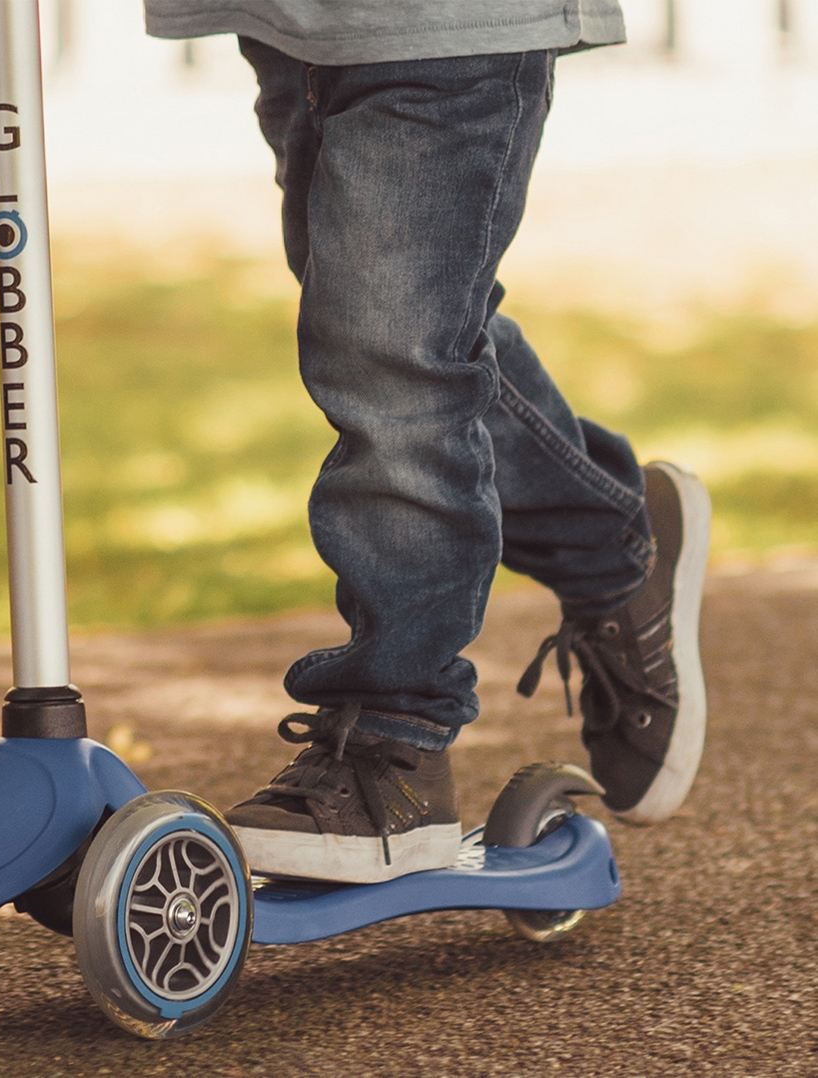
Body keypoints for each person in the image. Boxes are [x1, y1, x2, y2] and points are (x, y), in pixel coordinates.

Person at [143, 2, 712, 884]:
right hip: (294, 24)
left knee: (392, 352)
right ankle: (613, 547)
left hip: (445, 21)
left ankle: (392, 744)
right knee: (398, 332)